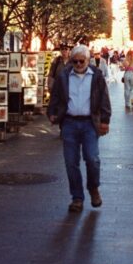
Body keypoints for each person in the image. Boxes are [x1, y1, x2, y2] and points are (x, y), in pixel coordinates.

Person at [47, 44, 111, 213]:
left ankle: (93, 188)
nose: (78, 64)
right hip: (69, 123)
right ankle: (77, 198)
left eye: (81, 61)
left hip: (90, 123)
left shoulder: (96, 76)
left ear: (88, 60)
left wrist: (105, 120)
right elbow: (56, 96)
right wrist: (52, 113)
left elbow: (104, 98)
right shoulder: (64, 76)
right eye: (75, 61)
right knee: (71, 162)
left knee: (92, 158)